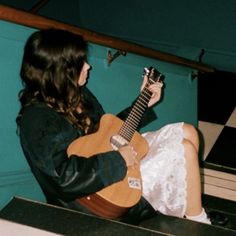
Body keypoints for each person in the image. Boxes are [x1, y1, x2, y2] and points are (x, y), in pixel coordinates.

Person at [16, 28, 212, 226]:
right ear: (60, 70)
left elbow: (107, 134)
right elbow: (63, 179)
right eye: (81, 62)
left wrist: (142, 103)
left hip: (113, 164)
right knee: (184, 148)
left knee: (188, 131)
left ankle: (190, 212)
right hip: (95, 197)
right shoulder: (36, 119)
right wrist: (118, 160)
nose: (88, 66)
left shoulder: (76, 93)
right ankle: (199, 222)